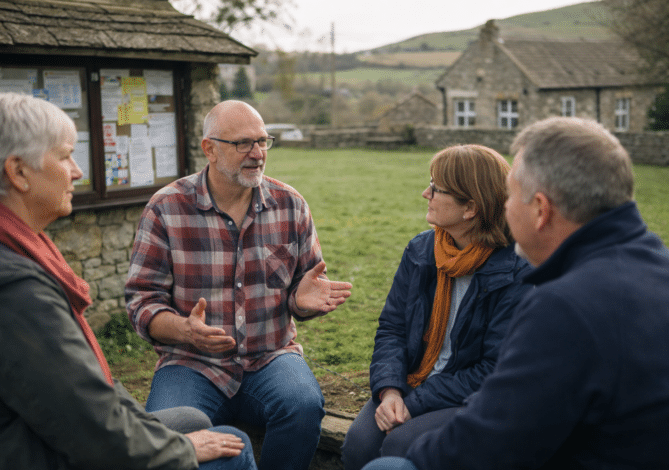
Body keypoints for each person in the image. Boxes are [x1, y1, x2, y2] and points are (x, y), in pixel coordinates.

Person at [0, 92, 257, 470]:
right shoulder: (9, 290)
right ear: (18, 172)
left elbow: (78, 393)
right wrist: (182, 451)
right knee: (234, 447)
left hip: (16, 439)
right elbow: (91, 432)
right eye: (64, 155)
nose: (76, 171)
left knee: (193, 421)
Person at [363, 117, 669, 470]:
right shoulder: (652, 266)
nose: (503, 208)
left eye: (510, 195)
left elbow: (493, 436)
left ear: (540, 210)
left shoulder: (564, 305)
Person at [125, 100, 353, 470]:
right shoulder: (166, 208)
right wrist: (184, 329)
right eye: (243, 143)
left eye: (263, 141)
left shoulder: (290, 205)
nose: (258, 153)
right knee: (166, 433)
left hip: (271, 355)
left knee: (303, 405)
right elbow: (141, 301)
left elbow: (306, 285)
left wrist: (302, 302)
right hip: (191, 362)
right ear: (209, 149)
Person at [341, 144, 531, 469]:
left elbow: (494, 368)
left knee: (401, 445)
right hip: (412, 382)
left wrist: (413, 404)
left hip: (473, 394)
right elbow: (392, 329)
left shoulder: (515, 270)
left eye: (435, 188)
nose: (425, 193)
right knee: (359, 444)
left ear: (470, 207)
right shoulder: (421, 250)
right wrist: (389, 392)